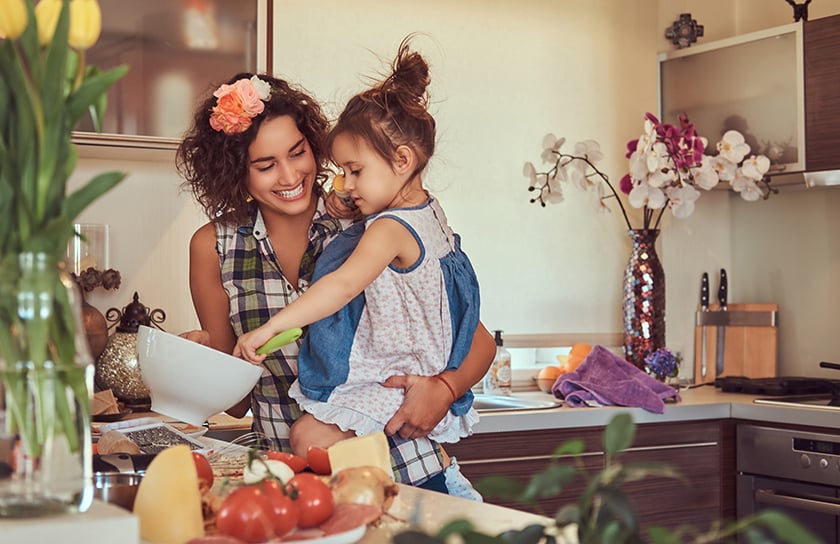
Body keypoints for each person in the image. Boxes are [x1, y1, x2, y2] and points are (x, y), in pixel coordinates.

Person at [176, 66, 495, 495]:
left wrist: (444, 388)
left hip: (410, 472)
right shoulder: (215, 248)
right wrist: (200, 363)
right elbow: (235, 401)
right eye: (266, 165)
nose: (290, 177)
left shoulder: (367, 220)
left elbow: (476, 342)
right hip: (300, 491)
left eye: (298, 152)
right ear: (238, 173)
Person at [234, 37, 481, 460]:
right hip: (415, 381)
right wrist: (350, 200)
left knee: (309, 439)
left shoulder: (387, 229)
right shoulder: (431, 215)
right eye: (343, 172)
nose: (344, 184)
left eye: (354, 171)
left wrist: (270, 328)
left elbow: (343, 285)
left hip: (396, 388)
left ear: (402, 161)